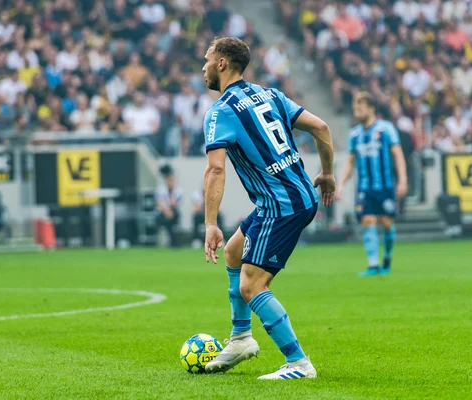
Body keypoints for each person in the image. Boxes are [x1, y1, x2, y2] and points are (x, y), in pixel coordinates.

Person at [201, 37, 335, 380]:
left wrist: (210, 224)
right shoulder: (270, 94)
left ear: (221, 64)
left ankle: (299, 363)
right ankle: (241, 338)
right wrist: (328, 173)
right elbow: (321, 127)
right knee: (234, 253)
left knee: (251, 286)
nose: (202, 67)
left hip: (281, 205)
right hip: (295, 193)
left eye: (207, 59)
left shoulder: (220, 112)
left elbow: (216, 169)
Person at [336, 92, 408, 277]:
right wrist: (341, 184)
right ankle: (373, 264)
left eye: (359, 108)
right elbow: (350, 162)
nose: (356, 112)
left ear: (371, 109)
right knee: (368, 220)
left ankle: (387, 258)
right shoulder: (354, 134)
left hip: (384, 186)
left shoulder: (386, 129)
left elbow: (397, 155)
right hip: (365, 188)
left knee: (386, 222)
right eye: (354, 109)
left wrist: (403, 179)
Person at [155, 165, 182, 247]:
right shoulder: (160, 189)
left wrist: (171, 192)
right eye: (169, 180)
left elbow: (174, 203)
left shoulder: (178, 191)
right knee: (160, 217)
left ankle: (173, 241)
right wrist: (166, 211)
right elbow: (159, 202)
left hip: (173, 212)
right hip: (163, 212)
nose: (171, 182)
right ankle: (162, 239)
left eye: (172, 180)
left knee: (175, 216)